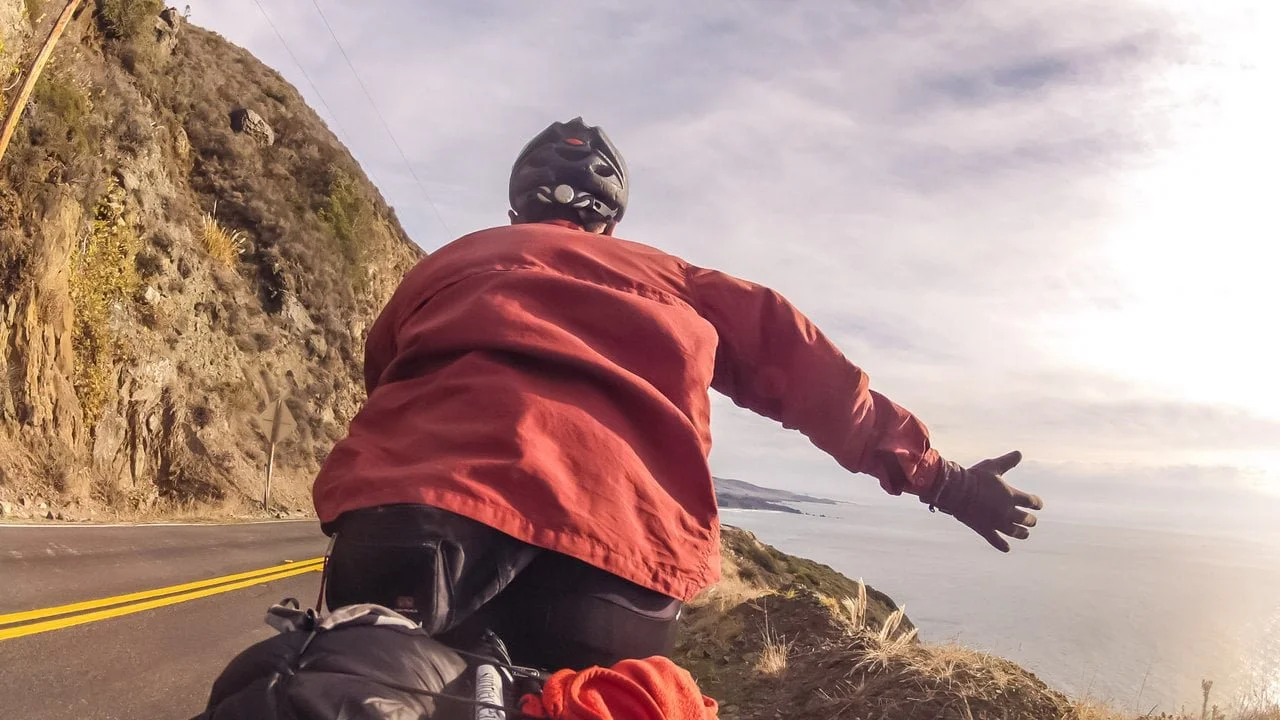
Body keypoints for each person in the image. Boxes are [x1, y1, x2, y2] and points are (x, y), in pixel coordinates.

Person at [313, 117, 1044, 671]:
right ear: (611, 223)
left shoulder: (444, 268)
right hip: (617, 544)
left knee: (349, 682)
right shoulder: (675, 281)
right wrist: (939, 479)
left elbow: (383, 376)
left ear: (515, 212)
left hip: (410, 515)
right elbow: (812, 377)